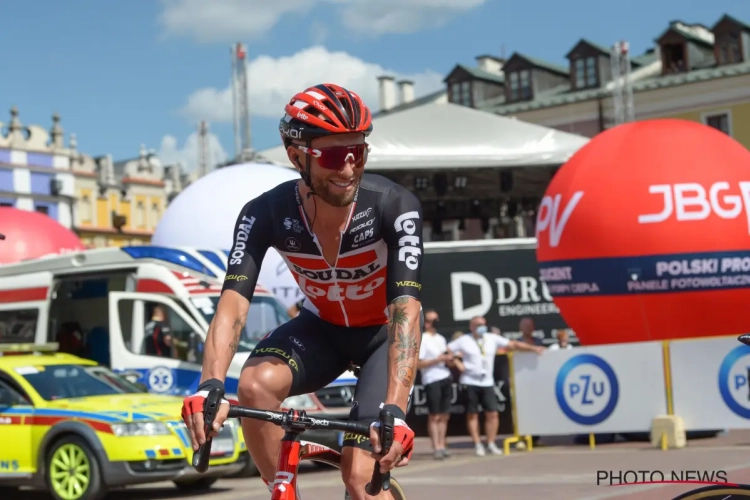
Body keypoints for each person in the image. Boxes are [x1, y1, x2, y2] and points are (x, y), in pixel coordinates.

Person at [181, 83, 423, 500]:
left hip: (380, 338)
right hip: (321, 331)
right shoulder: (266, 212)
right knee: (254, 387)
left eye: (358, 153)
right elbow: (233, 303)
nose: (348, 168)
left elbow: (406, 309)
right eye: (332, 156)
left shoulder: (392, 205)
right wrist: (210, 384)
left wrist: (395, 410)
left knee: (360, 478)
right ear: (297, 155)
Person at [448, 316, 543, 456]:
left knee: (492, 413)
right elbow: (447, 351)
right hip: (469, 381)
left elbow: (513, 345)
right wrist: (457, 362)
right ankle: (477, 444)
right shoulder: (464, 340)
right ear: (472, 326)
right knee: (472, 415)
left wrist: (534, 348)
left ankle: (491, 443)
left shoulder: (491, 338)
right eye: (479, 324)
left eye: (484, 324)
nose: (482, 327)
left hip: (487, 382)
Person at [417, 309, 463, 460]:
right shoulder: (423, 339)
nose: (435, 323)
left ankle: (443, 445)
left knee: (444, 415)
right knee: (435, 415)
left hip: (445, 377)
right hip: (431, 379)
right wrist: (437, 360)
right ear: (427, 322)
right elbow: (418, 363)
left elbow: (447, 361)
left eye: (436, 320)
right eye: (432, 320)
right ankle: (436, 446)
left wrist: (451, 359)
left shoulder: (441, 338)